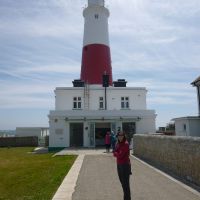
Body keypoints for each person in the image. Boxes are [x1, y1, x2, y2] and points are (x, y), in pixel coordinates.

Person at [113, 131, 132, 200]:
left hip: (125, 166)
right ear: (117, 136)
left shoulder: (126, 144)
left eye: (122, 136)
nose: (120, 137)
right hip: (119, 165)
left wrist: (116, 153)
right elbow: (114, 151)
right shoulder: (118, 143)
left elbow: (120, 155)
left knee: (126, 185)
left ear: (124, 136)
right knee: (122, 183)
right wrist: (116, 153)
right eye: (119, 136)